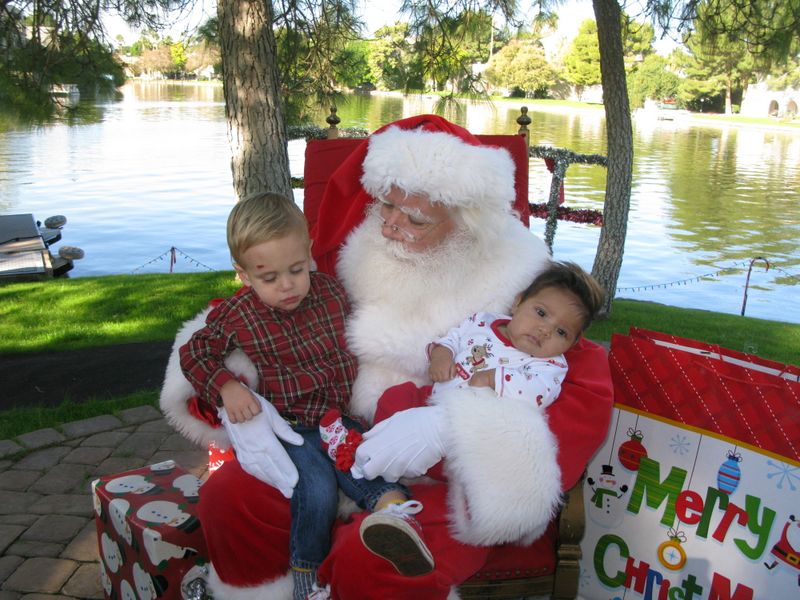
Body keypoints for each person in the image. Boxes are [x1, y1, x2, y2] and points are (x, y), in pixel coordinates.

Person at [163, 114, 613, 599]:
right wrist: (233, 400)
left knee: (374, 560)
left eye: (416, 218)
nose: (393, 224)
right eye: (387, 205)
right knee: (229, 498)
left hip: (440, 478)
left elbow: (579, 382)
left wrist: (454, 428)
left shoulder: (521, 282)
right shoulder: (357, 251)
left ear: (465, 220)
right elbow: (234, 326)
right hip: (331, 436)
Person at [177, 192, 423, 599]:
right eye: (269, 278)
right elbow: (194, 352)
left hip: (339, 418)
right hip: (294, 428)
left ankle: (397, 521)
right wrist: (227, 385)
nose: (287, 286)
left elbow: (375, 323)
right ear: (243, 273)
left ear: (309, 251)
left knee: (367, 464)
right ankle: (307, 577)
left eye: (296, 269)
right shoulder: (240, 314)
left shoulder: (330, 294)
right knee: (317, 488)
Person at [426, 261, 604, 406]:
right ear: (518, 302)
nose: (545, 330)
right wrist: (441, 355)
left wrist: (493, 378)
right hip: (433, 401)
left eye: (561, 331)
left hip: (473, 424)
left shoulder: (550, 366)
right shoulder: (483, 321)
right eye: (541, 313)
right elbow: (454, 338)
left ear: (572, 343)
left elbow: (539, 393)